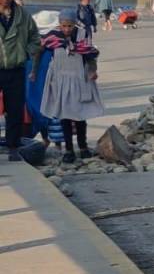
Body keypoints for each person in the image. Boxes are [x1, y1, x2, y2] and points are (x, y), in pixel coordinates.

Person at [38, 9, 104, 163]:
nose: (67, 29)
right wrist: (34, 72)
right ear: (59, 24)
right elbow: (38, 52)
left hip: (79, 80)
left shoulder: (82, 36)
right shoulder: (52, 37)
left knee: (80, 115)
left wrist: (93, 71)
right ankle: (69, 150)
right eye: (64, 26)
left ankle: (83, 147)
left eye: (70, 26)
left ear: (75, 24)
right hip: (60, 81)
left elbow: (90, 56)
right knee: (64, 117)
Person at [0, 0, 41, 161]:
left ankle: (13, 147)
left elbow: (35, 38)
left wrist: (26, 53)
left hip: (16, 70)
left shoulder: (23, 16)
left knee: (15, 110)